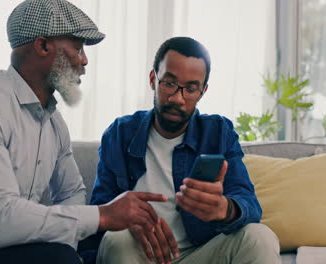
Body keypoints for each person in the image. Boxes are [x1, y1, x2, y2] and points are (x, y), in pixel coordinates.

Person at [0, 1, 168, 263]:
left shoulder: (53, 121)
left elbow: (71, 191)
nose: (84, 61)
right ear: (44, 46)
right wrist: (103, 216)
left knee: (71, 253)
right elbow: (3, 222)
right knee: (59, 259)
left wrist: (70, 240)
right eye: (78, 47)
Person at [86, 37, 281, 264]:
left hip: (200, 254)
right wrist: (123, 218)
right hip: (139, 255)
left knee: (260, 237)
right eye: (169, 83)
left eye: (190, 89)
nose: (177, 98)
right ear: (153, 79)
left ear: (202, 92)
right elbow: (99, 213)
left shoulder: (218, 132)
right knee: (116, 238)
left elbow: (249, 204)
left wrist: (224, 209)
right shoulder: (120, 133)